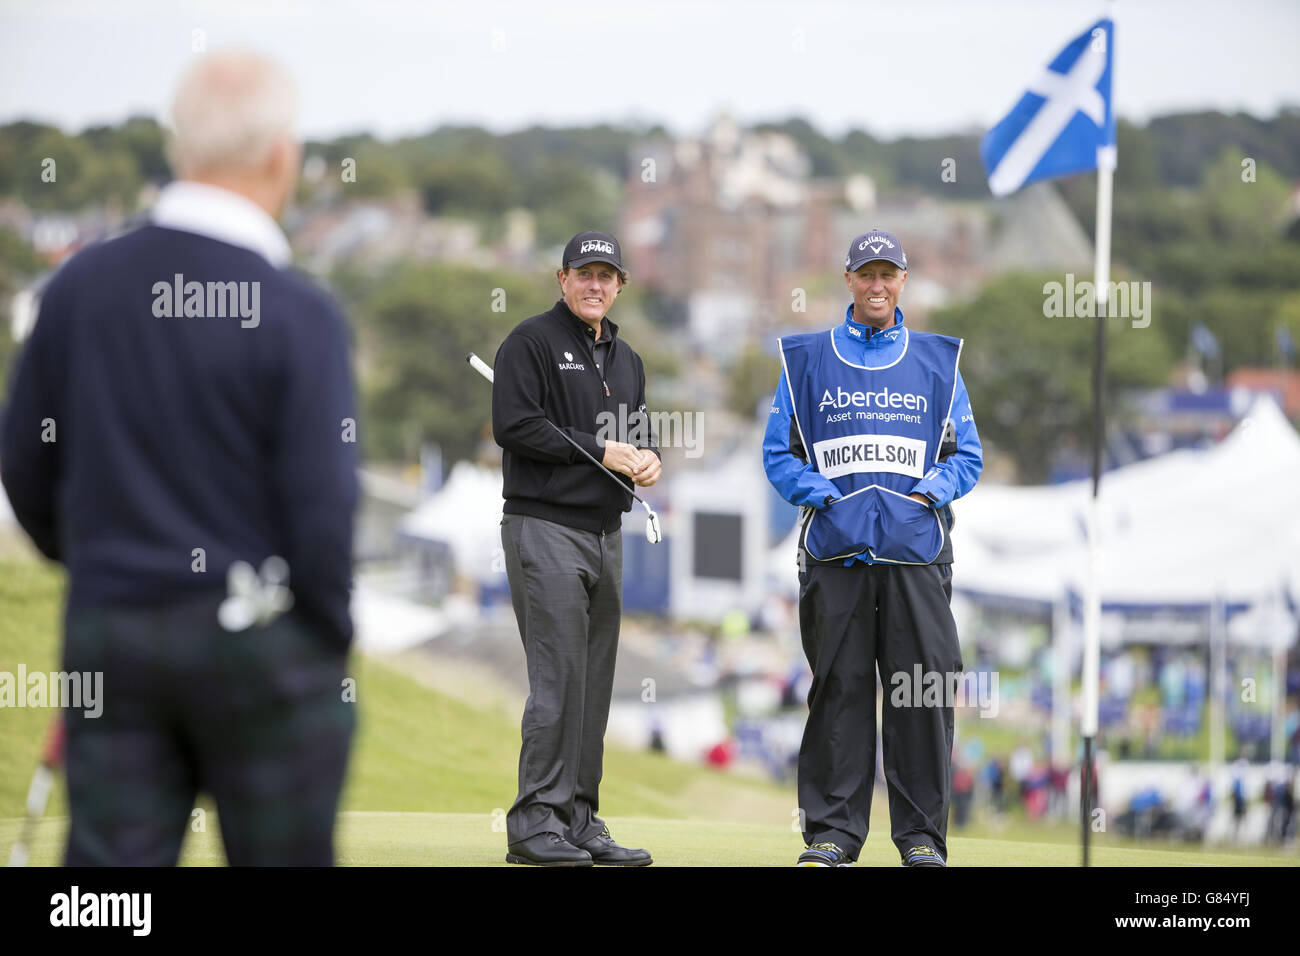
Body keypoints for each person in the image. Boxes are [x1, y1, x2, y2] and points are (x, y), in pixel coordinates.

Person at [0, 51, 359, 865]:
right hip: (261, 642)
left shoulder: (77, 289)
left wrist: (101, 567)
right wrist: (324, 640)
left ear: (179, 148)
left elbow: (24, 469)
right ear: (280, 155)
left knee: (109, 898)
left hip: (114, 628)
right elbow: (323, 513)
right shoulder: (301, 314)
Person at [763, 229, 983, 867]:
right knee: (840, 691)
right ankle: (832, 836)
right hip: (836, 558)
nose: (877, 285)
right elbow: (779, 456)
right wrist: (824, 495)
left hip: (917, 558)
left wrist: (928, 495)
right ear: (849, 280)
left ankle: (920, 841)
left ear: (904, 280)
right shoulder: (805, 360)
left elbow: (966, 457)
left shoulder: (939, 362)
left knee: (921, 691)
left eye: (889, 274)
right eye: (866, 274)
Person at [492, 231, 660, 866]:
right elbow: (515, 424)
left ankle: (579, 819)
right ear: (562, 279)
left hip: (606, 532)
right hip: (544, 526)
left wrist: (648, 461)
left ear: (620, 286)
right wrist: (599, 449)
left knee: (593, 684)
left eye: (607, 276)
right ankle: (535, 824)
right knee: (558, 681)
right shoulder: (530, 342)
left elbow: (636, 437)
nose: (595, 285)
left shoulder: (628, 360)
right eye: (584, 274)